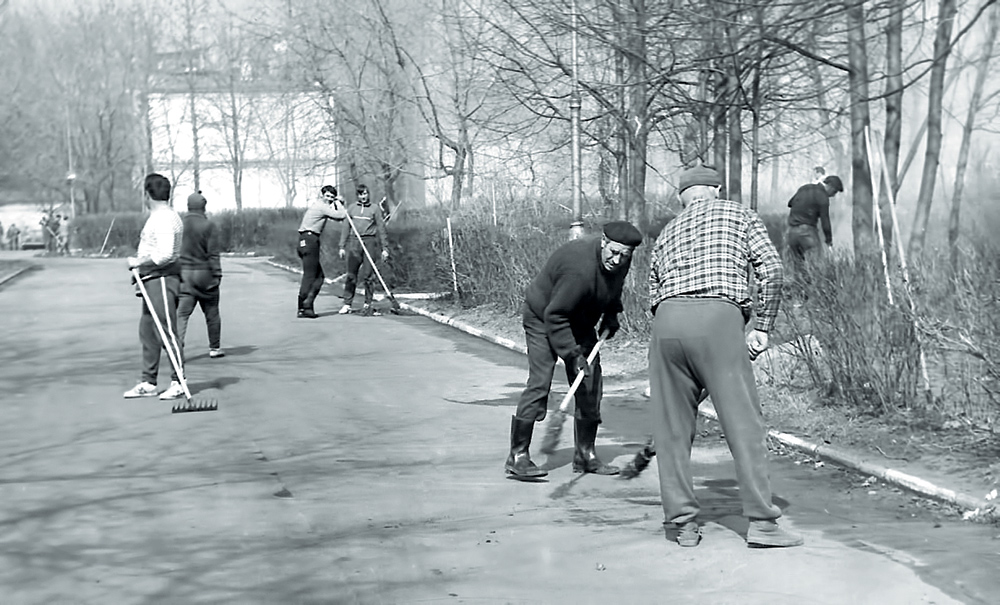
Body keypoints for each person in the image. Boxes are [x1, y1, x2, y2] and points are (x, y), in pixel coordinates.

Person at [648, 164, 800, 549]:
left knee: (672, 432)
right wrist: (762, 326)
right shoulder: (740, 214)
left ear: (681, 197)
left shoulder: (666, 231)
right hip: (719, 318)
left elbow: (653, 293)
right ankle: (763, 524)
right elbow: (772, 269)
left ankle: (681, 524)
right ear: (716, 189)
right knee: (743, 426)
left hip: (666, 323)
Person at [505, 221, 643, 479]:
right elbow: (555, 315)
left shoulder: (621, 258)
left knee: (590, 382)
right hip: (543, 317)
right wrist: (572, 354)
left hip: (579, 319)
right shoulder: (578, 269)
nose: (617, 259)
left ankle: (585, 455)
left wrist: (612, 313)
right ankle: (518, 455)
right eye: (613, 252)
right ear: (603, 241)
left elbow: (614, 287)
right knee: (540, 382)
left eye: (625, 255)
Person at [124, 173, 186, 401]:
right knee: (148, 332)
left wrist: (138, 262)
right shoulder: (161, 216)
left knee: (166, 331)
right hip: (150, 280)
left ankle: (179, 382)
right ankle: (149, 381)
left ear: (147, 194)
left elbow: (166, 254)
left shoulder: (164, 219)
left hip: (162, 278)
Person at [176, 191, 224, 360]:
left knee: (181, 315)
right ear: (203, 207)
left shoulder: (180, 225)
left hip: (186, 274)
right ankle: (214, 347)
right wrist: (217, 274)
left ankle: (177, 349)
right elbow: (213, 254)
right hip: (205, 275)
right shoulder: (208, 225)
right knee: (212, 312)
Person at [338, 184, 390, 316]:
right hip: (354, 242)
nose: (363, 197)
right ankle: (347, 304)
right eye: (361, 194)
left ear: (368, 194)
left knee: (368, 275)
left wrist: (385, 248)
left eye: (365, 194)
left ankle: (368, 303)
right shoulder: (351, 208)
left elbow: (381, 228)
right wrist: (342, 246)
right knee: (351, 274)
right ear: (358, 195)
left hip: (369, 242)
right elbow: (345, 228)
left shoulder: (374, 208)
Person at [296, 185, 347, 318]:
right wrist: (338, 203)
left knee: (319, 277)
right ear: (322, 195)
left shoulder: (320, 206)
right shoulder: (321, 206)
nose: (329, 199)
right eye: (328, 196)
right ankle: (303, 307)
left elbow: (335, 216)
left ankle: (306, 306)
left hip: (306, 240)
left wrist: (336, 203)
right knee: (310, 276)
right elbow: (341, 215)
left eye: (332, 197)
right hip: (309, 240)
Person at [785, 174, 843, 274]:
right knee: (817, 264)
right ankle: (814, 287)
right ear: (829, 186)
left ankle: (799, 286)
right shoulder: (823, 197)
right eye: (834, 192)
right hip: (807, 233)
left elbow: (790, 203)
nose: (833, 195)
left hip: (792, 233)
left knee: (797, 265)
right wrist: (829, 240)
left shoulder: (804, 188)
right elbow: (825, 220)